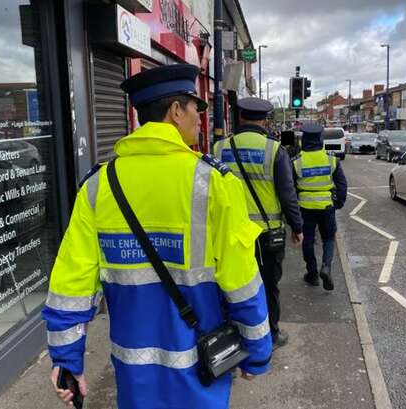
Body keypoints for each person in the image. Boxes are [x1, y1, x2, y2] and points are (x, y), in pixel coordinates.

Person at [42, 64, 272, 409]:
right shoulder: (214, 184)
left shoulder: (97, 186)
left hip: (134, 377)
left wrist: (67, 361)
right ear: (176, 111)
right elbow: (242, 281)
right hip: (202, 370)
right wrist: (256, 351)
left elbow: (70, 285)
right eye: (196, 108)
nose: (200, 118)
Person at [213, 98, 303, 348]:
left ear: (240, 117)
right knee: (267, 285)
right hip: (266, 236)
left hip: (229, 234)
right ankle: (271, 335)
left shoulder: (219, 148)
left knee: (230, 286)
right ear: (264, 120)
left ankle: (233, 337)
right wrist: (297, 227)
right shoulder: (274, 150)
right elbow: (287, 194)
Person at [293, 122, 347, 290]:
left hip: (305, 208)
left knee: (307, 241)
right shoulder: (331, 158)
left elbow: (290, 187)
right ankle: (326, 266)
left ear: (303, 140)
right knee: (329, 238)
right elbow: (342, 184)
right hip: (326, 207)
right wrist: (338, 203)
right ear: (320, 139)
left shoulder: (296, 161)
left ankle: (313, 274)